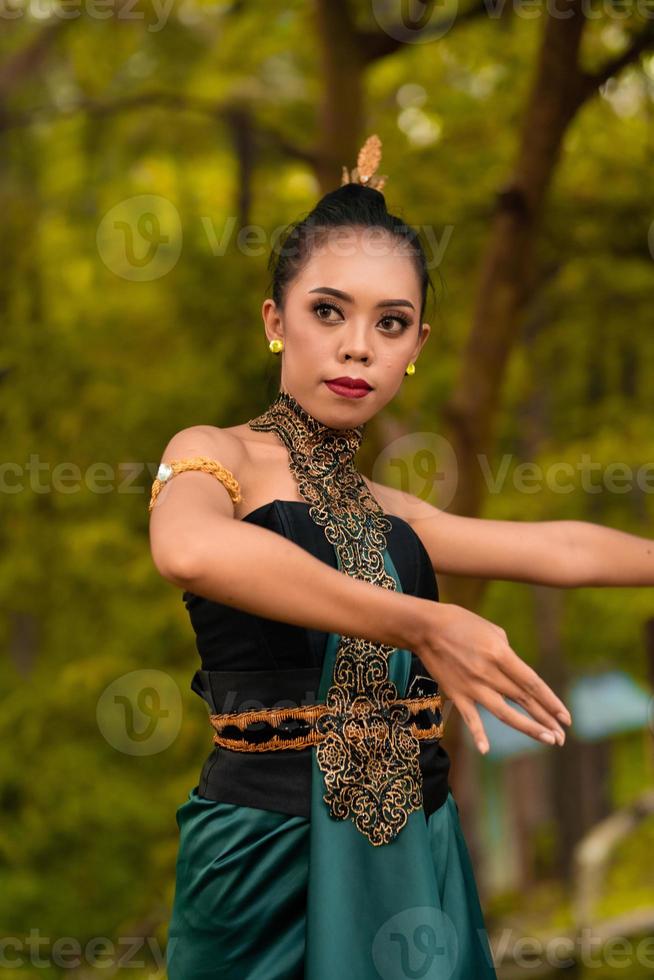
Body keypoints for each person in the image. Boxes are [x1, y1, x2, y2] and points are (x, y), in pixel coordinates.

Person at [148, 134, 578, 978]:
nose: (357, 347)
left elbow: (560, 547)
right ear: (276, 321)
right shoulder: (214, 455)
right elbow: (191, 550)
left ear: (418, 347)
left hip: (416, 850)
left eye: (391, 324)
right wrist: (425, 621)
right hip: (261, 865)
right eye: (328, 311)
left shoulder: (394, 511)